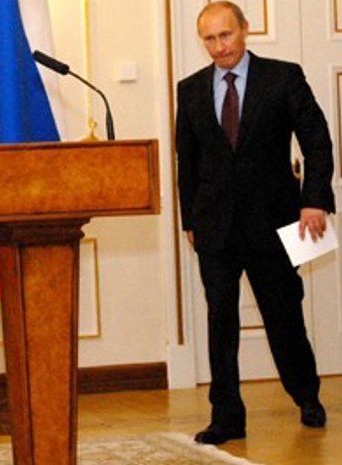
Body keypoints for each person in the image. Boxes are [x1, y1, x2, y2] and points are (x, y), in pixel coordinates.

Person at [176, 1, 333, 445]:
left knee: (284, 316)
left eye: (226, 35)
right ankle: (226, 417)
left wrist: (314, 201)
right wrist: (190, 219)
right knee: (220, 323)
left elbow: (317, 142)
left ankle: (306, 395)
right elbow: (187, 161)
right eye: (209, 39)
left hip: (274, 222)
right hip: (215, 226)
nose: (219, 46)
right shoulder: (189, 89)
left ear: (245, 29)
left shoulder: (283, 78)